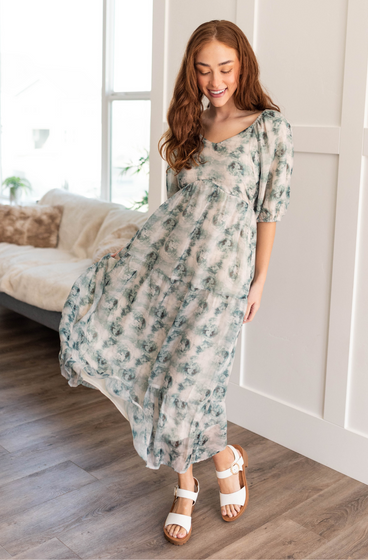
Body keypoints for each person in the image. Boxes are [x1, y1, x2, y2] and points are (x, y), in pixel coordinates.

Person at [58, 19, 294, 546]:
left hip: (225, 280)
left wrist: (259, 280)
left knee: (191, 380)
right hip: (171, 271)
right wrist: (134, 254)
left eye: (226, 69)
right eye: (204, 69)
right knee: (170, 377)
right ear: (192, 70)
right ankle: (193, 480)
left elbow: (269, 210)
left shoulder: (268, 127)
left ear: (243, 67)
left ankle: (217, 463)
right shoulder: (190, 126)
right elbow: (173, 211)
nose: (215, 80)